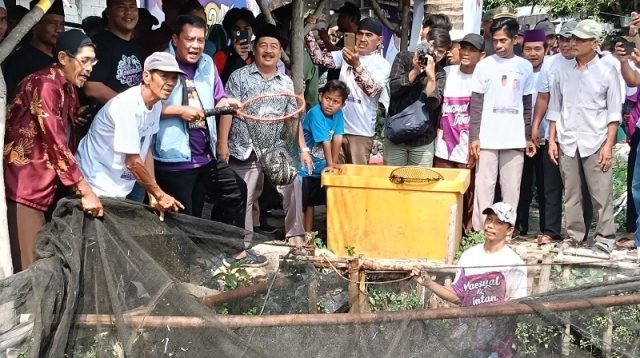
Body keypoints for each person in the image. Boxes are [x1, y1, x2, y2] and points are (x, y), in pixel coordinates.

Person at [4, 30, 103, 272]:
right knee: (29, 270)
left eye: (93, 61)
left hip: (47, 187)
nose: (90, 68)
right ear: (62, 57)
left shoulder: (67, 87)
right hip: (25, 188)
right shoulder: (45, 84)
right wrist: (85, 190)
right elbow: (55, 142)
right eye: (85, 60)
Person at [153, 15, 248, 231]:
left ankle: (233, 250)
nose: (196, 46)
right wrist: (180, 111)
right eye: (190, 39)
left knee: (236, 190)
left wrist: (228, 104)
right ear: (175, 39)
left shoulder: (207, 62)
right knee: (184, 217)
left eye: (201, 40)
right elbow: (145, 106)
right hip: (173, 157)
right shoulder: (159, 63)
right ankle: (184, 264)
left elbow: (219, 98)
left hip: (206, 155)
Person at [220, 23, 308, 246]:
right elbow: (227, 112)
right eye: (263, 46)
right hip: (243, 146)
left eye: (274, 47)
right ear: (254, 48)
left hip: (275, 148)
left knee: (293, 182)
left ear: (280, 52)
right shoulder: (239, 77)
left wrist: (303, 149)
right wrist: (222, 143)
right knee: (244, 196)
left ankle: (296, 237)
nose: (268, 51)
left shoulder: (286, 82)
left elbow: (292, 120)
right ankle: (243, 244)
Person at [76, 52, 183, 222]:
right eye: (164, 76)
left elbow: (145, 150)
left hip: (119, 186)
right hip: (95, 184)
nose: (170, 83)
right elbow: (132, 161)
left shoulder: (155, 105)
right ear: (146, 77)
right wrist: (160, 194)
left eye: (174, 78)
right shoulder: (128, 105)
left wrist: (152, 193)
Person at [412, 202, 527, 357]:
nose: (491, 226)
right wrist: (428, 282)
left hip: (495, 346)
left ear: (510, 230)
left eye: (499, 222)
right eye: (489, 220)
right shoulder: (470, 256)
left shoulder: (514, 263)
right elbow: (458, 296)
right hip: (465, 341)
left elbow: (516, 306)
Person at [548, 20, 622, 254]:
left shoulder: (607, 71)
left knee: (601, 193)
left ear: (594, 43)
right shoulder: (562, 71)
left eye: (580, 39)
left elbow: (614, 113)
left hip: (596, 139)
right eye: (572, 38)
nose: (573, 43)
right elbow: (555, 108)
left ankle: (605, 238)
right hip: (568, 139)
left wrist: (608, 145)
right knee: (571, 192)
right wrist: (552, 139)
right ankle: (575, 236)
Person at [469, 16, 536, 232]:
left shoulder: (524, 67)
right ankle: (480, 233)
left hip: (514, 137)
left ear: (515, 39)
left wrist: (527, 137)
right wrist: (474, 137)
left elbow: (527, 106)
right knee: (484, 187)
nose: (498, 45)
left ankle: (506, 231)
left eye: (503, 40)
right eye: (495, 40)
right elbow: (476, 104)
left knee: (511, 188)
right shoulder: (484, 66)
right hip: (487, 137)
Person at [305, 17, 391, 165]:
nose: (362, 39)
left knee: (354, 181)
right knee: (334, 176)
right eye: (360, 34)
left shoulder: (382, 64)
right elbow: (318, 58)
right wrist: (307, 29)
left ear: (379, 40)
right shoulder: (345, 55)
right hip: (336, 128)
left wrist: (356, 65)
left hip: (361, 133)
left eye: (369, 35)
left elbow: (373, 90)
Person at [434, 33, 485, 233]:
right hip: (443, 144)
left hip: (468, 145)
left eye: (472, 50)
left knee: (468, 190)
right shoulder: (447, 73)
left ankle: (465, 231)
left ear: (481, 55)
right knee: (443, 187)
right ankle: (442, 229)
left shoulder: (483, 77)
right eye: (463, 48)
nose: (465, 53)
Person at [385, 28, 451, 167]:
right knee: (392, 182)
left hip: (422, 138)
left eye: (442, 52)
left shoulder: (439, 73)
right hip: (396, 134)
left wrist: (431, 77)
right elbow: (395, 89)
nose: (437, 54)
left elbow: (433, 104)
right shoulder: (403, 57)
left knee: (419, 184)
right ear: (426, 44)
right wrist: (415, 70)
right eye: (435, 49)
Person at [300, 80, 347, 235]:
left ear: (342, 105)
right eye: (328, 99)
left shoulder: (338, 114)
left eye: (336, 101)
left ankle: (315, 234)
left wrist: (332, 164)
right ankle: (302, 235)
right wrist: (331, 163)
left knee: (315, 201)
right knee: (304, 203)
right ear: (320, 96)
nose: (330, 104)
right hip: (304, 167)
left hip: (319, 167)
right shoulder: (315, 113)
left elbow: (338, 138)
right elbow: (326, 141)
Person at [515, 29, 548, 237]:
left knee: (546, 187)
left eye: (537, 49)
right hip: (520, 137)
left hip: (546, 138)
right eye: (528, 49)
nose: (533, 53)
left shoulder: (551, 71)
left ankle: (547, 229)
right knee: (522, 185)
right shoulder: (518, 70)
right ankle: (520, 226)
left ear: (546, 49)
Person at [83, 0, 146, 108]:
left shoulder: (138, 48)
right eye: (121, 7)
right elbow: (92, 87)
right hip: (108, 120)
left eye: (132, 7)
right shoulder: (99, 44)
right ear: (108, 13)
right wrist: (129, 107)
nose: (128, 12)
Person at [2, 0, 65, 100]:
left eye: (62, 24)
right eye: (52, 23)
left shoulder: (63, 58)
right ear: (35, 26)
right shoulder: (20, 59)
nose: (59, 29)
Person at [214, 7, 255, 84]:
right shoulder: (221, 56)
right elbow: (219, 84)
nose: (242, 32)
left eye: (246, 29)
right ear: (229, 32)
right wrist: (234, 56)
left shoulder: (257, 57)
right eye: (237, 29)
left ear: (253, 31)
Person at [321, 2, 360, 81]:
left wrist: (325, 39)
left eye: (342, 17)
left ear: (353, 19)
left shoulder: (357, 39)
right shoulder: (346, 37)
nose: (338, 20)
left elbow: (341, 55)